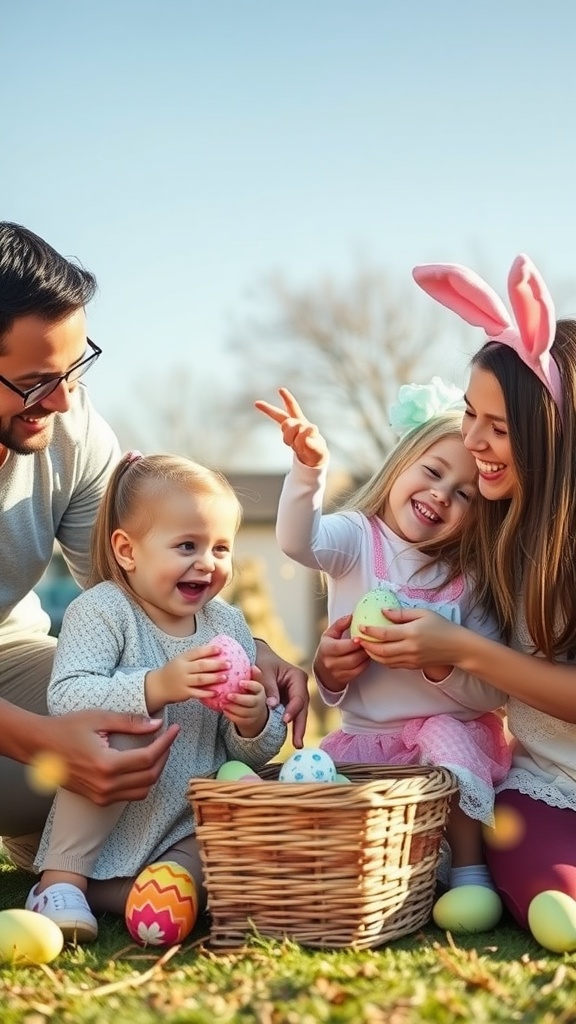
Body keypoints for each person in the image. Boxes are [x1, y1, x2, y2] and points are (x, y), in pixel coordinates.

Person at [0, 222, 308, 875]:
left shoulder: (70, 429)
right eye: (34, 381)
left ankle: (62, 852)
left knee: (127, 706)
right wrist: (41, 741)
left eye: (73, 370)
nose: (60, 402)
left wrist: (252, 657)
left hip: (10, 656)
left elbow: (146, 588)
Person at [314, 253, 576, 952]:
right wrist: (344, 659)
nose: (472, 440)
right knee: (539, 877)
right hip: (547, 780)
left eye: (498, 425)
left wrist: (458, 648)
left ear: (555, 435)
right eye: (469, 413)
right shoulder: (491, 534)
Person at [255, 384, 510, 909]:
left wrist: (441, 664)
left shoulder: (471, 577)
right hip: (367, 741)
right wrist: (309, 471)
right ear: (399, 465)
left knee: (449, 743)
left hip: (451, 734)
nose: (442, 494)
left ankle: (468, 870)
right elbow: (296, 541)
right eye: (433, 472)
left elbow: (490, 693)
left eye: (465, 493)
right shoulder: (356, 538)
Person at [26, 453, 288, 941]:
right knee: (119, 732)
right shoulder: (104, 610)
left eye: (221, 548)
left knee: (211, 857)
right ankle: (60, 882)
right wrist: (155, 687)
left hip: (183, 827)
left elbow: (246, 754)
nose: (206, 564)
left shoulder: (227, 624)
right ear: (127, 550)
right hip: (109, 820)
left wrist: (251, 721)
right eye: (187, 545)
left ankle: (132, 896)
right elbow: (67, 698)